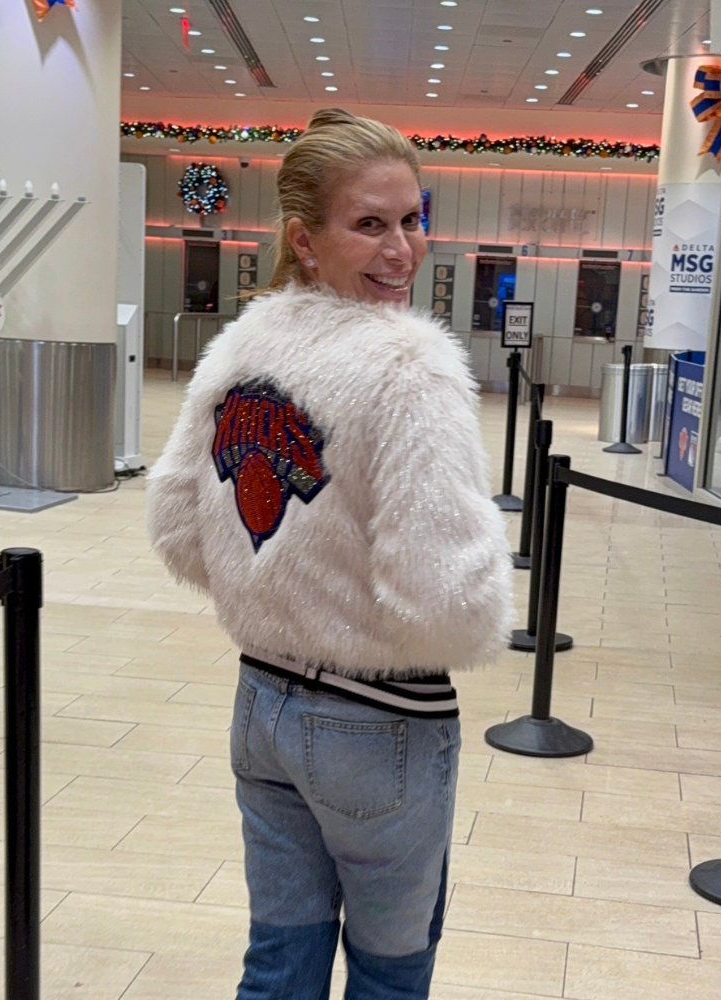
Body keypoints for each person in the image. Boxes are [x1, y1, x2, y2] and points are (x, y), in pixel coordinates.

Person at [146, 108, 513, 1000]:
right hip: (377, 723)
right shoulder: (409, 367)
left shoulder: (243, 344)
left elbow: (175, 525)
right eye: (371, 224)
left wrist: (283, 587)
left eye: (412, 219)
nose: (402, 249)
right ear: (306, 242)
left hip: (261, 705)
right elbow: (443, 602)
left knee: (279, 959)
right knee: (390, 971)